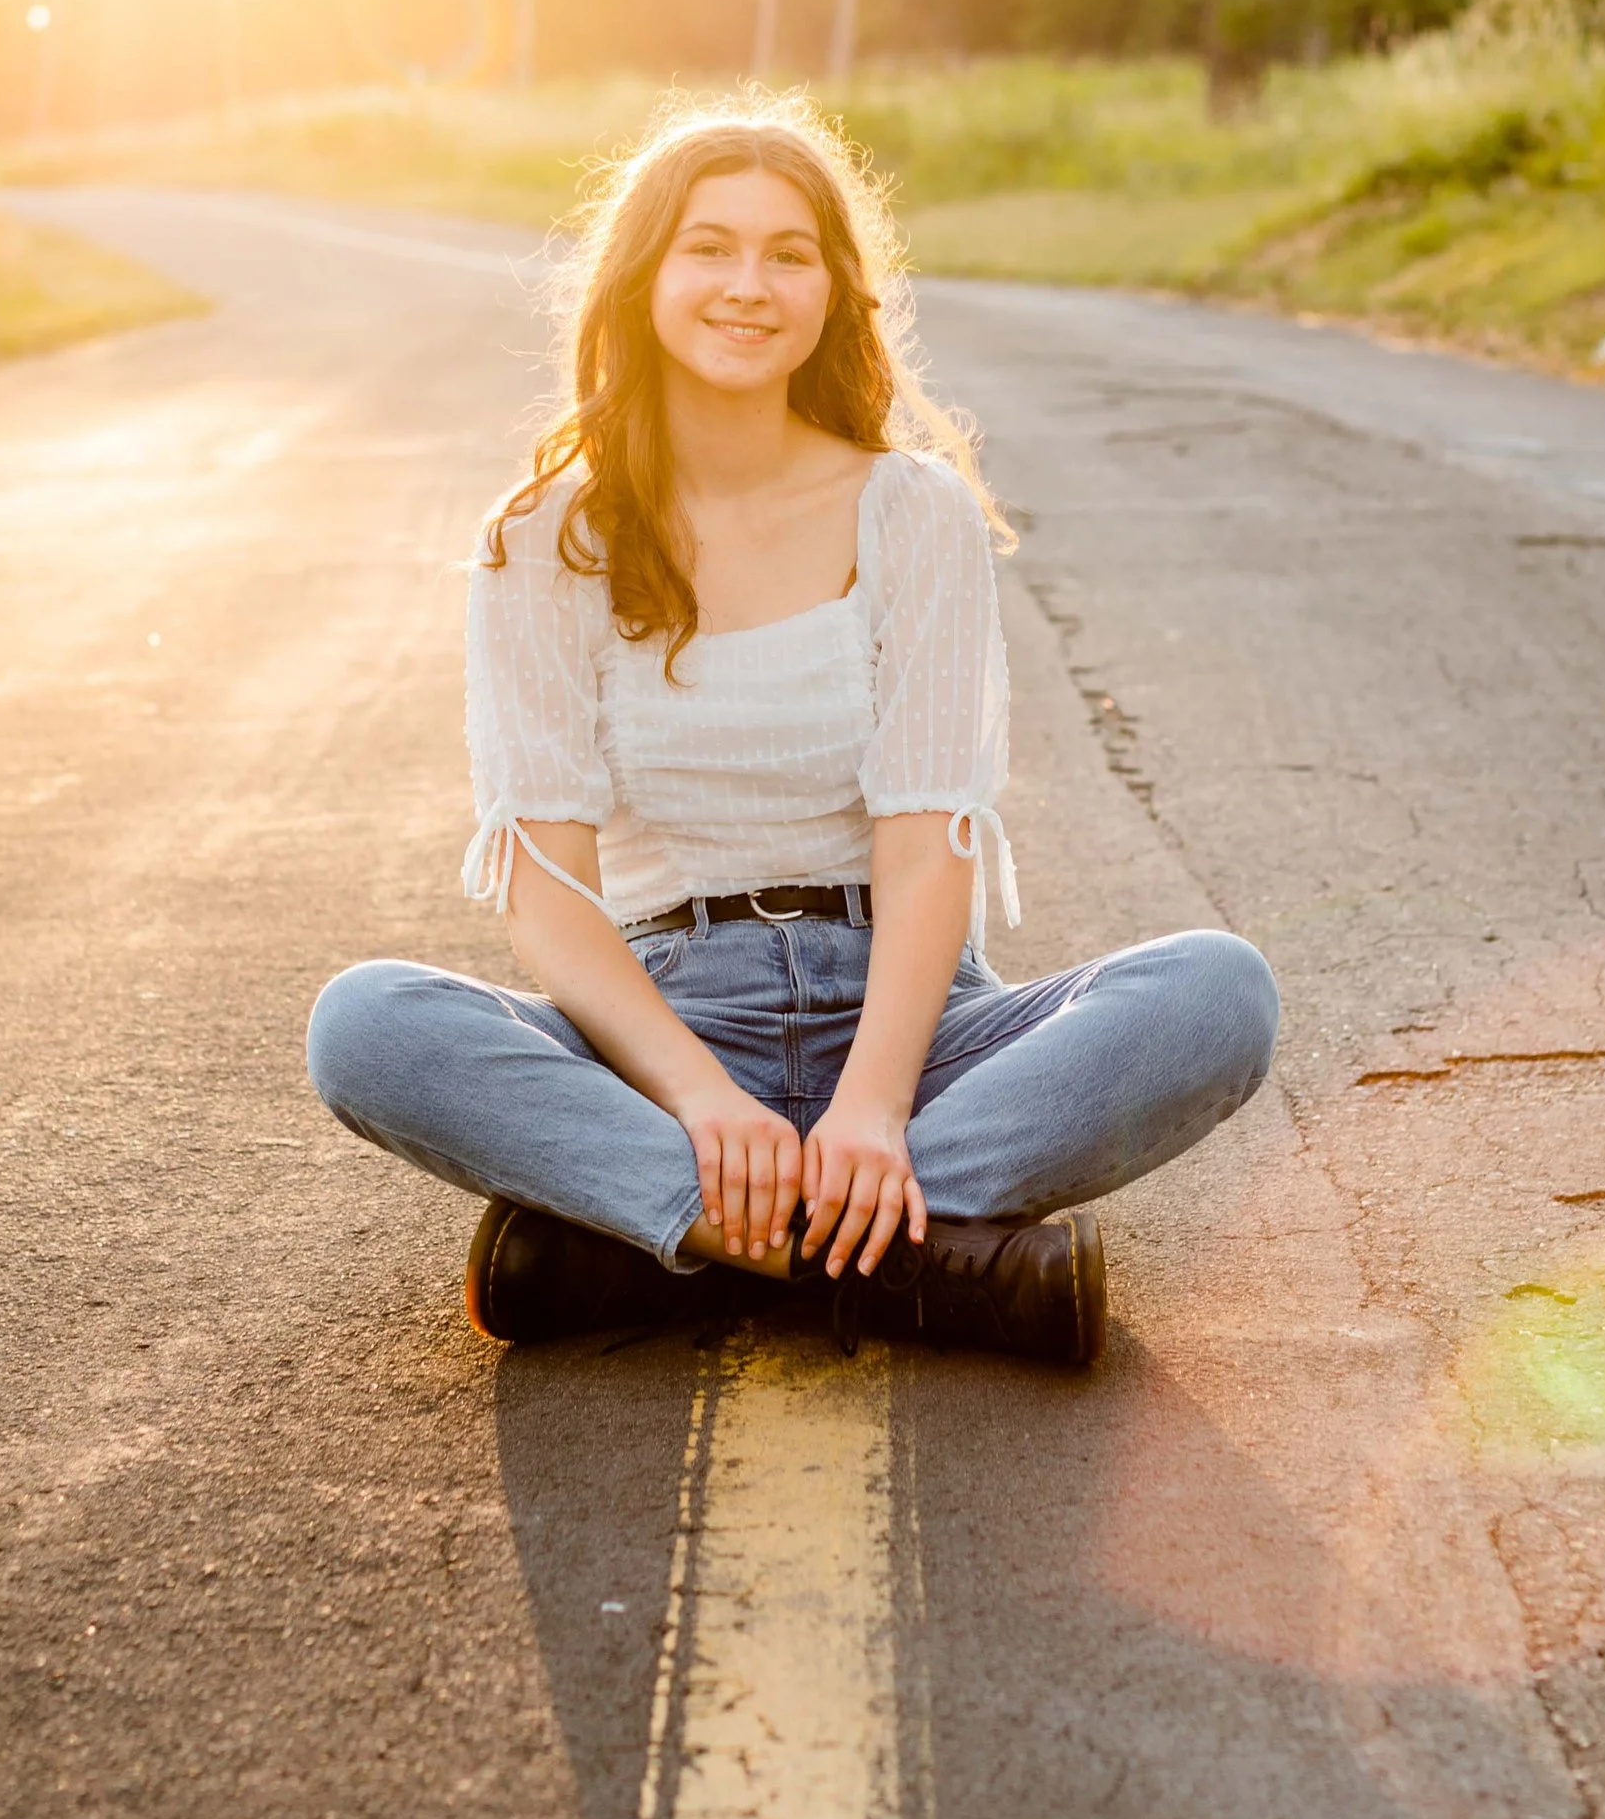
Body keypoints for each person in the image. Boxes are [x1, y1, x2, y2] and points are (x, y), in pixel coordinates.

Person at [306, 95, 1279, 1369]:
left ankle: (679, 1241)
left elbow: (930, 845)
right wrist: (698, 1099)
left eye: (788, 253)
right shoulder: (547, 535)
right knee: (368, 1023)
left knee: (1219, 994)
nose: (747, 285)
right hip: (665, 1021)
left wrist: (873, 1104)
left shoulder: (910, 510)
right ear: (643, 278)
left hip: (920, 1029)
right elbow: (546, 891)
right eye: (708, 248)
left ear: (832, 292)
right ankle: (904, 1258)